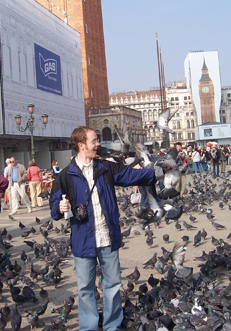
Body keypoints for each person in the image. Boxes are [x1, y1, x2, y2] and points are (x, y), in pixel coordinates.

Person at [50, 126, 155, 331]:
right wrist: (58, 207)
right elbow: (54, 206)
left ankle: (112, 325)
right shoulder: (66, 175)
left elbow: (130, 177)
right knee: (86, 289)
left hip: (107, 236)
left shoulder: (105, 168)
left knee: (113, 285)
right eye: (94, 141)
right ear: (81, 146)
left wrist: (154, 173)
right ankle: (89, 327)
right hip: (83, 240)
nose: (98, 144)